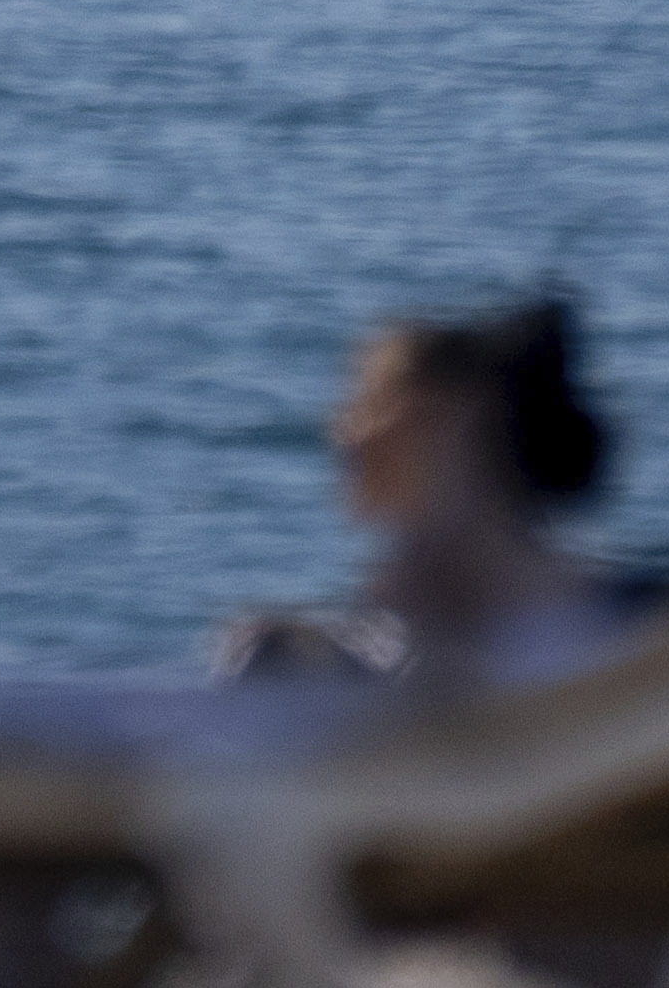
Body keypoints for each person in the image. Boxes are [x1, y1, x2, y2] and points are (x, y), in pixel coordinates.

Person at [231, 299, 638, 697]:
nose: (345, 430)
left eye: (373, 401)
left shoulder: (627, 633)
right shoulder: (332, 651)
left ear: (456, 420)